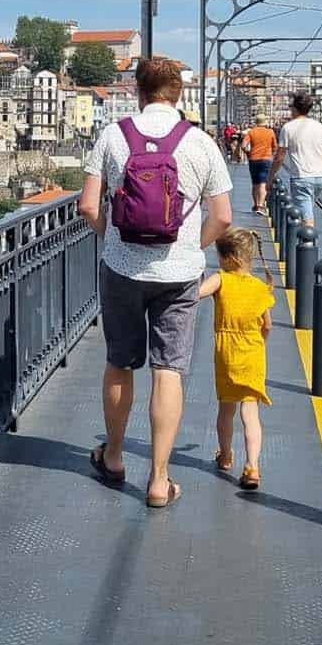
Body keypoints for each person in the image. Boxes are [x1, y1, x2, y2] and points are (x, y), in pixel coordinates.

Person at [79, 55, 233, 509]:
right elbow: (222, 216)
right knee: (169, 370)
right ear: (178, 94)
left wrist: (117, 243)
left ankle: (113, 456)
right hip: (179, 273)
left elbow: (89, 207)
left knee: (120, 362)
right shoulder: (201, 142)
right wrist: (193, 248)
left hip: (122, 269)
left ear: (138, 92)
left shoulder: (113, 135)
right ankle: (160, 479)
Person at [197, 229, 272, 491]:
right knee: (250, 413)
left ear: (229, 258)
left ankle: (226, 455)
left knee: (226, 410)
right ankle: (252, 466)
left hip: (227, 353)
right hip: (254, 353)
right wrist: (259, 342)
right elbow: (267, 326)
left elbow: (197, 293)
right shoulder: (261, 288)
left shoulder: (221, 279)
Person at [270, 92, 322, 225]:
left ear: (295, 108)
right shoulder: (319, 127)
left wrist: (270, 177)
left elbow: (279, 157)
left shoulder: (288, 128)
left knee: (306, 217)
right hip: (320, 178)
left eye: (290, 106)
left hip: (301, 178)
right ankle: (305, 241)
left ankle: (309, 243)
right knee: (307, 210)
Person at [244, 117, 277, 215]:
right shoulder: (270, 132)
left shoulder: (251, 132)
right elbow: (275, 147)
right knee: (263, 183)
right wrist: (271, 154)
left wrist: (248, 153)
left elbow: (243, 145)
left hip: (253, 160)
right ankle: (260, 206)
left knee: (255, 184)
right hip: (266, 160)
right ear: (265, 122)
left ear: (256, 122)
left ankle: (255, 205)